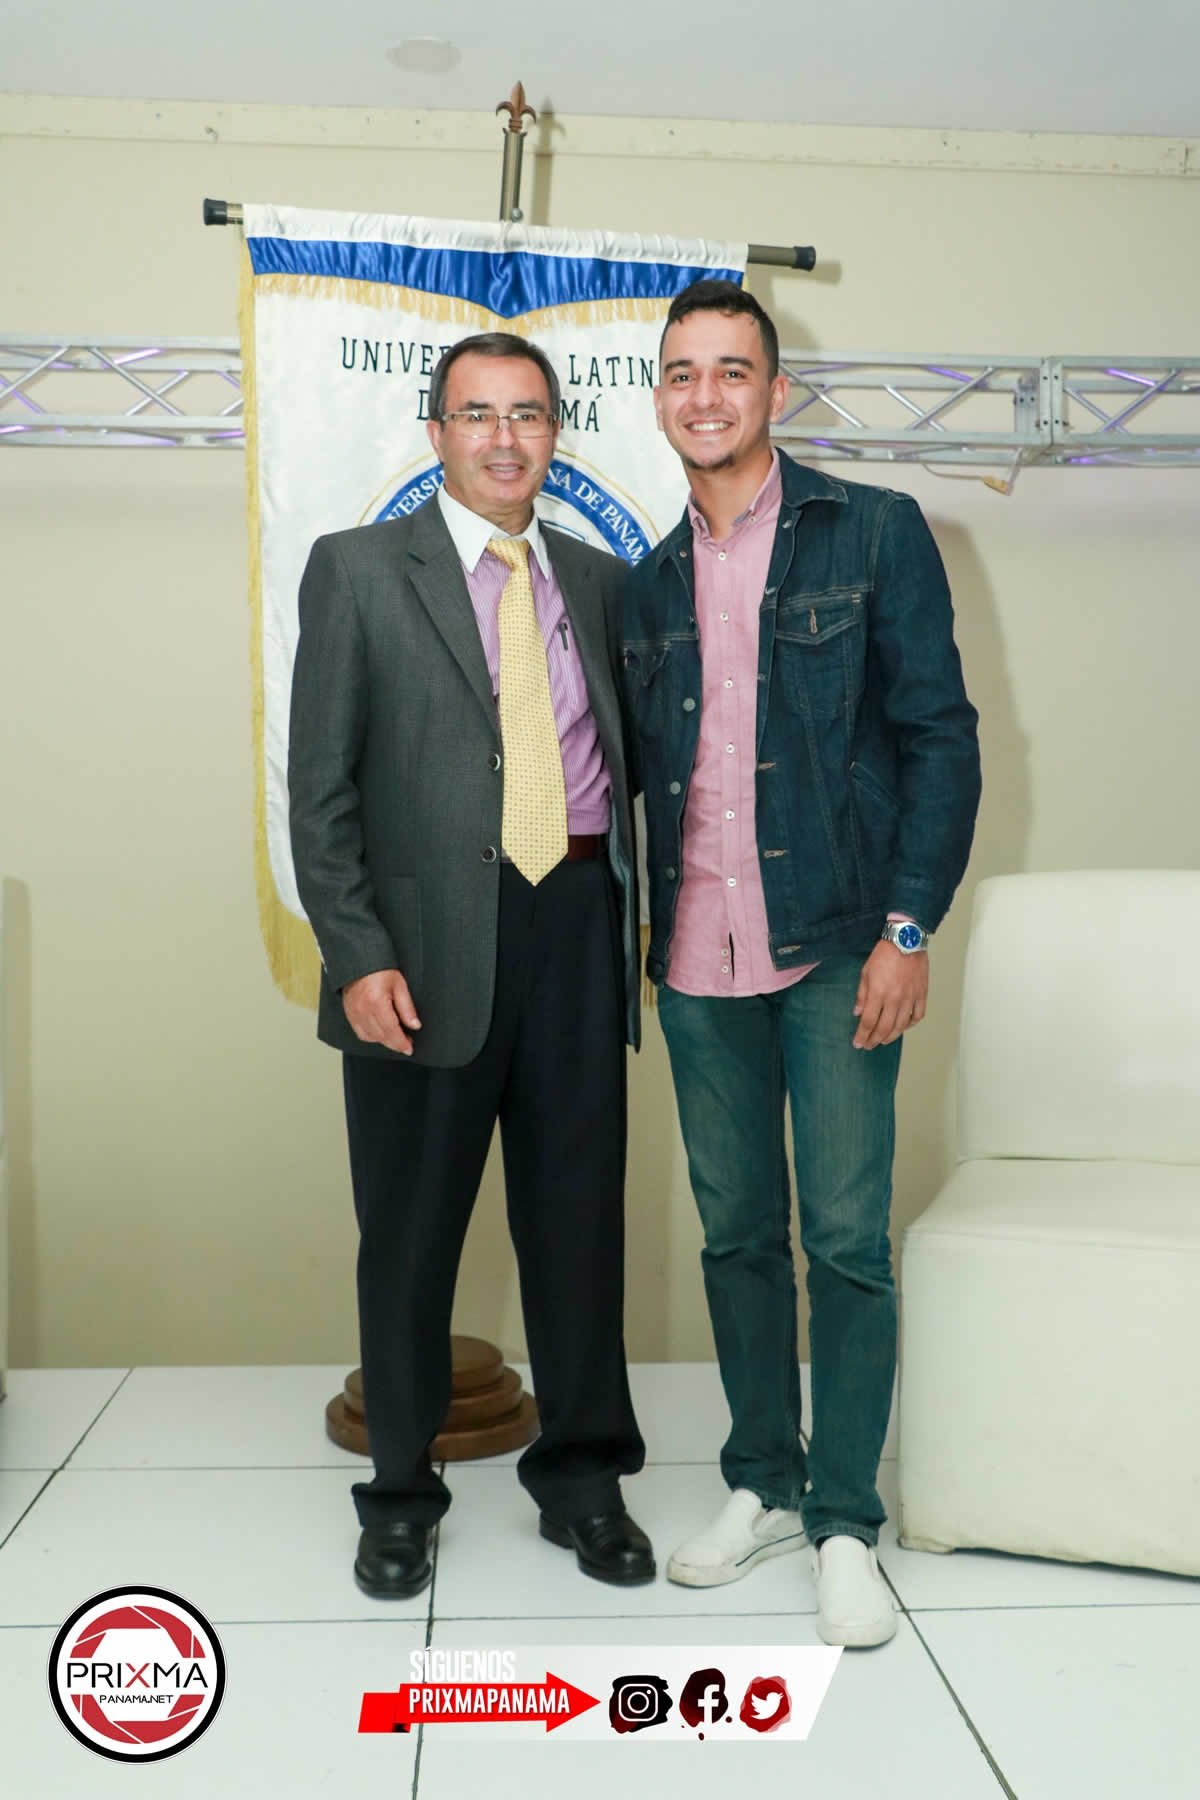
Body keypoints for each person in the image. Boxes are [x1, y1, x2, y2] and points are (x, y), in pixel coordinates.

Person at [624, 281, 980, 1646]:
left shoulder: (873, 531)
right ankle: (763, 1484)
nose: (705, 394)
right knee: (735, 1237)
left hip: (838, 946)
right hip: (695, 956)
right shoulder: (647, 580)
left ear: (777, 392)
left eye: (732, 370)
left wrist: (908, 928)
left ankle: (843, 1521)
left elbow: (941, 740)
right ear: (660, 398)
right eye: (681, 373)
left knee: (843, 1242)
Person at [289, 331, 651, 1599]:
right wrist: (357, 955)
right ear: (436, 431)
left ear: (556, 432)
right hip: (421, 949)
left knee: (578, 1224)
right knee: (408, 1235)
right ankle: (399, 1494)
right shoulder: (356, 570)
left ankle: (584, 1484)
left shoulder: (602, 581)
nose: (505, 437)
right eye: (478, 414)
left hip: (577, 925)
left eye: (528, 414)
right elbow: (319, 791)